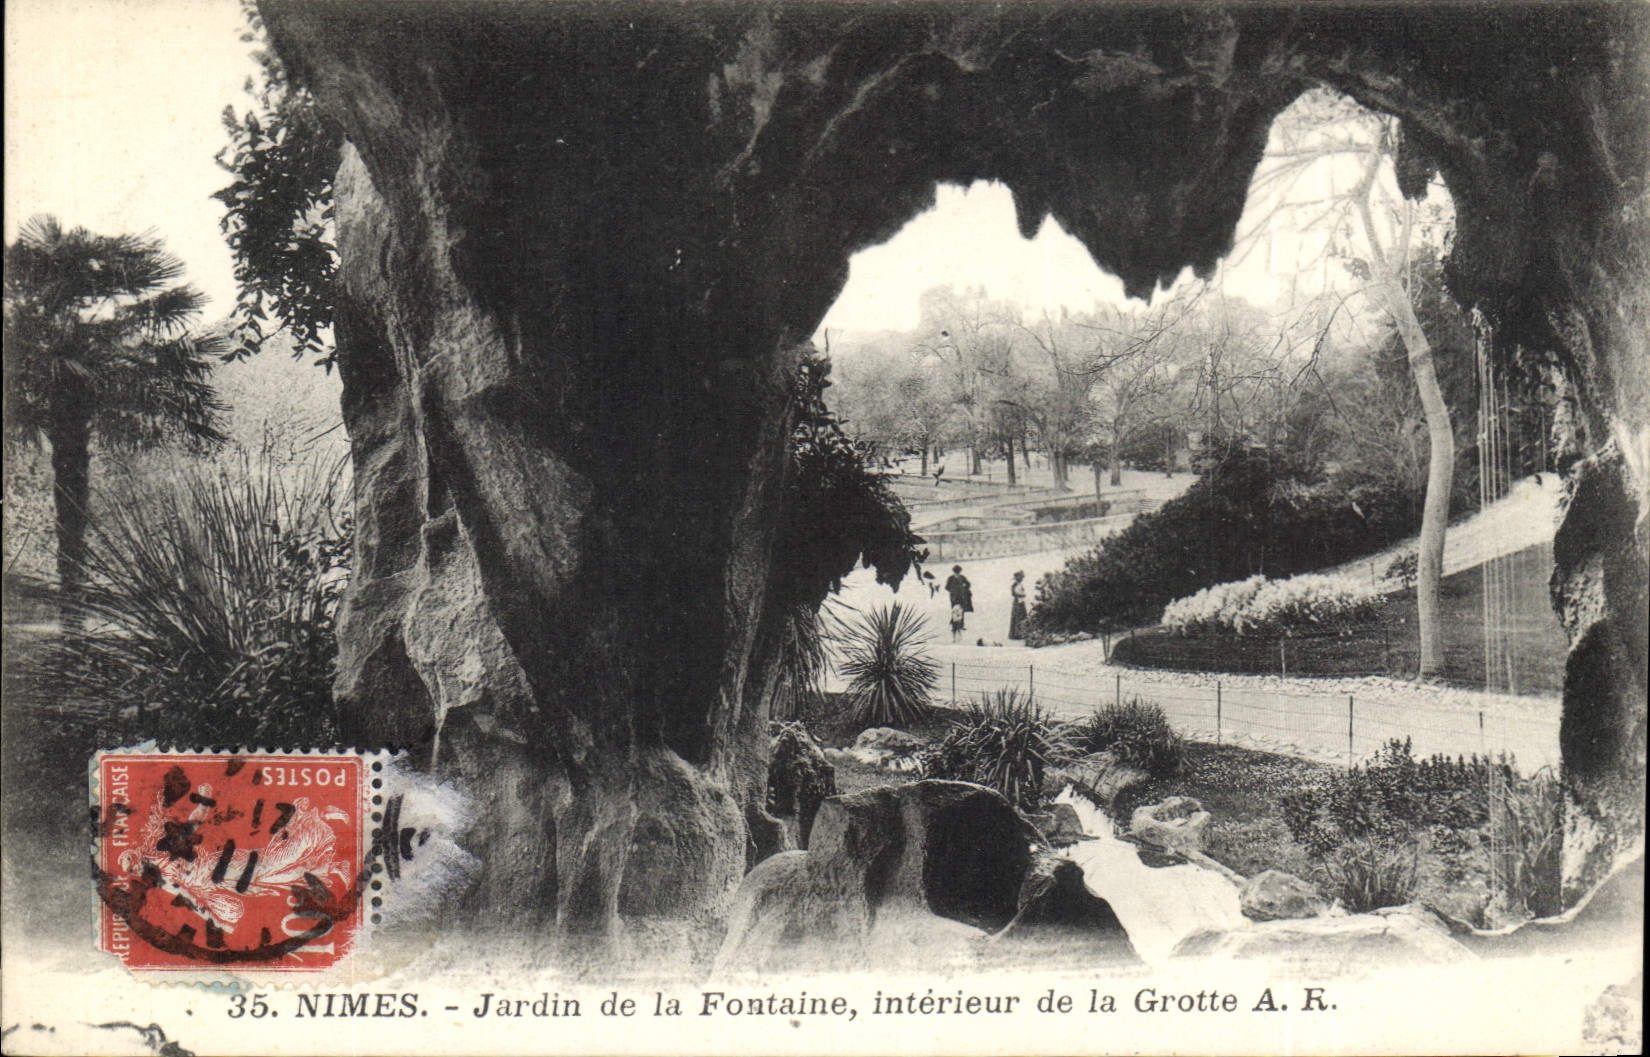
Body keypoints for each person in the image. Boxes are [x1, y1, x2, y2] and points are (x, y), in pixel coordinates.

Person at [944, 565, 973, 642]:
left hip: (961, 597)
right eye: (956, 572)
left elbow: (968, 584)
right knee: (955, 610)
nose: (957, 573)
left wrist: (964, 587)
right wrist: (953, 590)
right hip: (954, 597)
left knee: (961, 610)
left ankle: (960, 624)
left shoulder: (961, 578)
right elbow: (946, 587)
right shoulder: (952, 578)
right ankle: (955, 624)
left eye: (958, 572)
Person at [1008, 570, 1028, 640]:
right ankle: (1016, 634)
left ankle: (1021, 633)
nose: (1021, 579)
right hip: (1017, 602)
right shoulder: (1014, 585)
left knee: (1022, 616)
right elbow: (1013, 594)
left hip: (1021, 601)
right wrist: (1021, 595)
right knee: (1017, 617)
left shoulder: (1020, 584)